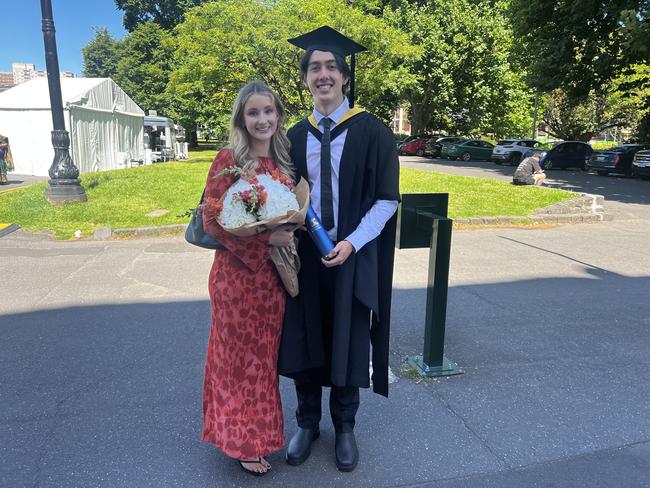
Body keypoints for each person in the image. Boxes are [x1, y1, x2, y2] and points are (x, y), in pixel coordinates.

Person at [278, 26, 400, 472]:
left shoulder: (373, 133)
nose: (323, 74)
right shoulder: (291, 136)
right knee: (305, 338)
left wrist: (351, 243)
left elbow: (387, 200)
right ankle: (307, 423)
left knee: (348, 341)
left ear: (345, 76)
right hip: (305, 257)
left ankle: (345, 426)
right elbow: (280, 193)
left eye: (331, 66)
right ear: (306, 78)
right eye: (314, 67)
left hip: (351, 254)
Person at [201, 81, 296, 476]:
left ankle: (257, 437)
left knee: (262, 363)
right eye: (254, 113)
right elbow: (212, 220)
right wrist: (266, 238)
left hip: (270, 284)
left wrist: (291, 229)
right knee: (237, 363)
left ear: (278, 115)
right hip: (237, 280)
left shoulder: (282, 162)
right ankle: (242, 442)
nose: (263, 119)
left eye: (269, 111)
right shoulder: (229, 160)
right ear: (242, 118)